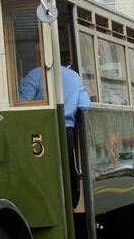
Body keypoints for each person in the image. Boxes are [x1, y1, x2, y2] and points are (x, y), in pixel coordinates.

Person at [18, 64, 91, 204]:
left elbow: (22, 106)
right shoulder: (73, 76)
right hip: (67, 131)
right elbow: (85, 105)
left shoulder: (35, 74)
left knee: (43, 175)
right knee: (65, 173)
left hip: (39, 133)